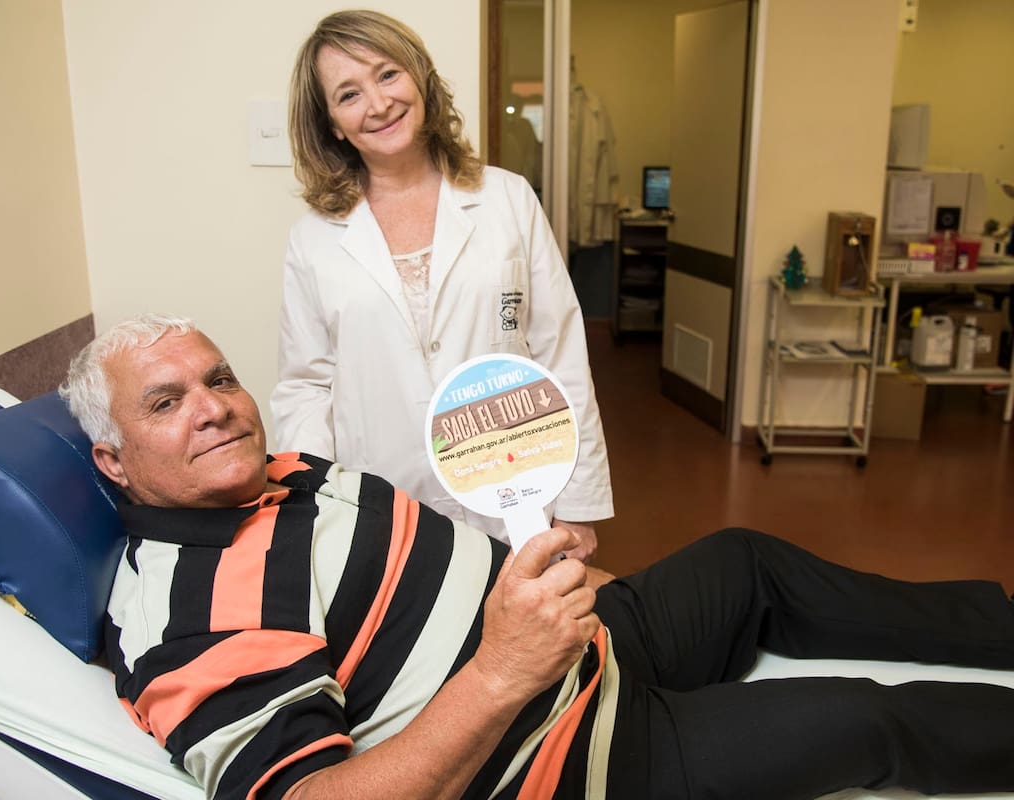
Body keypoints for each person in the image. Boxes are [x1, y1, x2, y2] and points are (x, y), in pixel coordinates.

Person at [59, 313, 1014, 800]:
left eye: (217, 377)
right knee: (859, 718)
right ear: (112, 458)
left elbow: (433, 564)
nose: (214, 405)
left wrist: (573, 591)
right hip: (571, 756)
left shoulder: (289, 470)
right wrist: (508, 667)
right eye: (165, 402)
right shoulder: (187, 619)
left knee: (744, 560)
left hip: (592, 643)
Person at [271, 10, 612, 560]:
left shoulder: (507, 198)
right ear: (332, 122)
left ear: (420, 77)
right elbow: (306, 386)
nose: (378, 104)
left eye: (387, 75)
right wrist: (314, 506)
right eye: (349, 94)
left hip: (513, 495)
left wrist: (578, 502)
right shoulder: (313, 239)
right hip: (378, 504)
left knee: (531, 637)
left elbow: (560, 354)